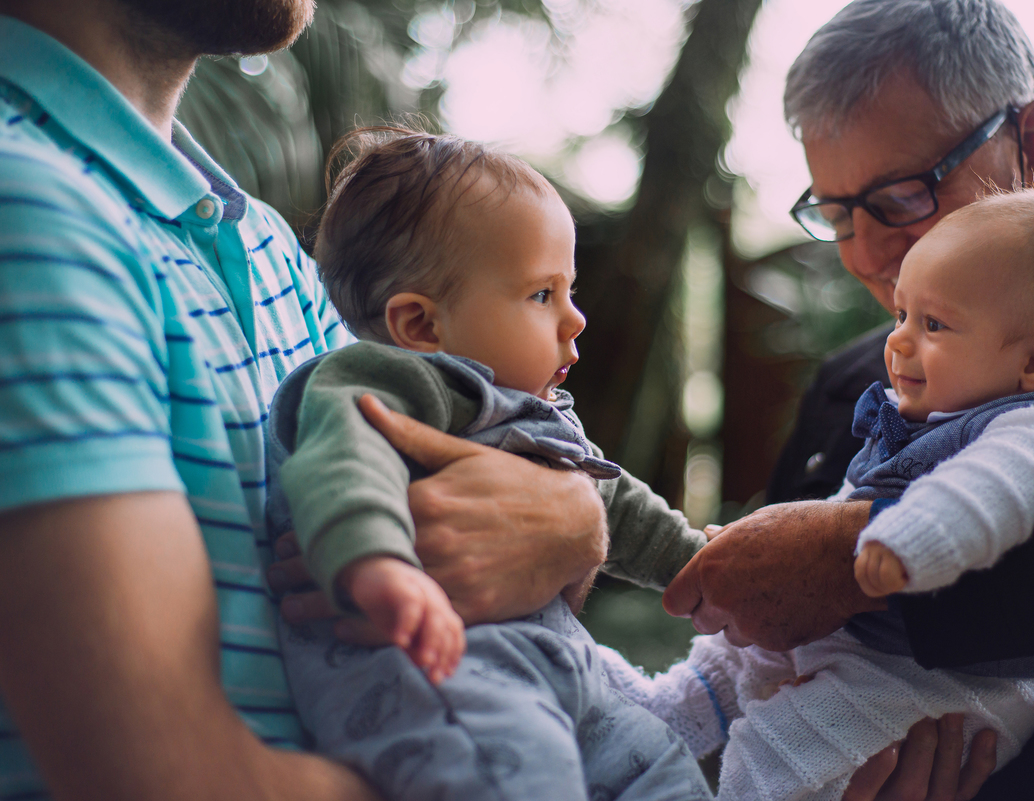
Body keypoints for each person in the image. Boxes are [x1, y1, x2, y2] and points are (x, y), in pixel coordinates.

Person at [0, 3, 614, 798]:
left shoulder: (261, 242)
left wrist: (573, 520)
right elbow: (165, 779)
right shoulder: (26, 206)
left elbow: (480, 528)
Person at [662, 1, 1034, 799]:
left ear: (1033, 142)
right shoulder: (848, 385)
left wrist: (859, 556)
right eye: (836, 215)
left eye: (901, 196)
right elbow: (760, 670)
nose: (867, 254)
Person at [607, 189, 1034, 800]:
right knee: (732, 653)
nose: (899, 341)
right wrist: (774, 548)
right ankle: (666, 712)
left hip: (944, 685)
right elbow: (844, 505)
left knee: (781, 747)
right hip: (873, 646)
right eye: (902, 315)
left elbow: (989, 488)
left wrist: (904, 537)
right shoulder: (929, 416)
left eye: (934, 324)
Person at [266, 125, 712, 800]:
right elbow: (343, 462)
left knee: (661, 765)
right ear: (421, 325)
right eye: (542, 294)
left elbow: (614, 504)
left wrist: (697, 562)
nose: (575, 318)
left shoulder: (537, 416)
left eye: (569, 290)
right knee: (516, 779)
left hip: (561, 671)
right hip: (436, 671)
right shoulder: (377, 383)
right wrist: (379, 563)